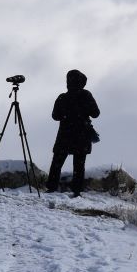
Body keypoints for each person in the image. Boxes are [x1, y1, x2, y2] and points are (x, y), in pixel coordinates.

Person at [46, 69, 100, 197]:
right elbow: (96, 113)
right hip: (82, 135)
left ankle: (51, 187)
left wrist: (67, 115)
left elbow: (55, 116)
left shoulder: (62, 97)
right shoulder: (86, 95)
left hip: (65, 134)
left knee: (57, 162)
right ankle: (77, 190)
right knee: (79, 165)